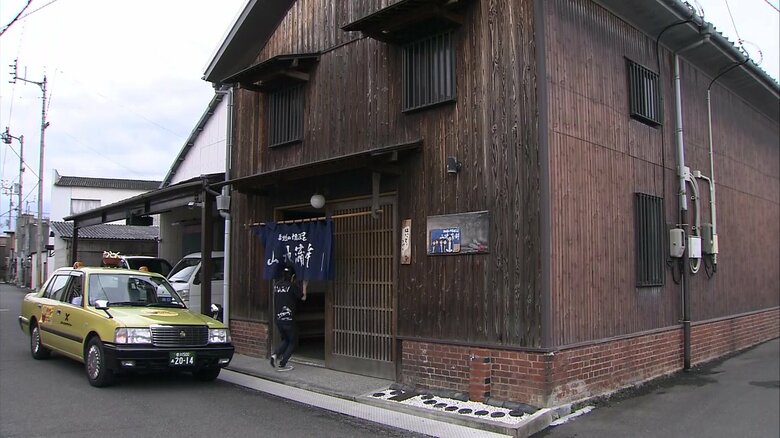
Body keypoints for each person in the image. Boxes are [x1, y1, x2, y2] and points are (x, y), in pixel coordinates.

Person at [269, 259, 306, 371]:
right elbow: (302, 297)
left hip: (278, 319)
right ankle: (283, 363)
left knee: (286, 339)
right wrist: (304, 285)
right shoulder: (291, 286)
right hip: (288, 319)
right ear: (292, 276)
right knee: (292, 341)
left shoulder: (277, 286)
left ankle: (275, 354)